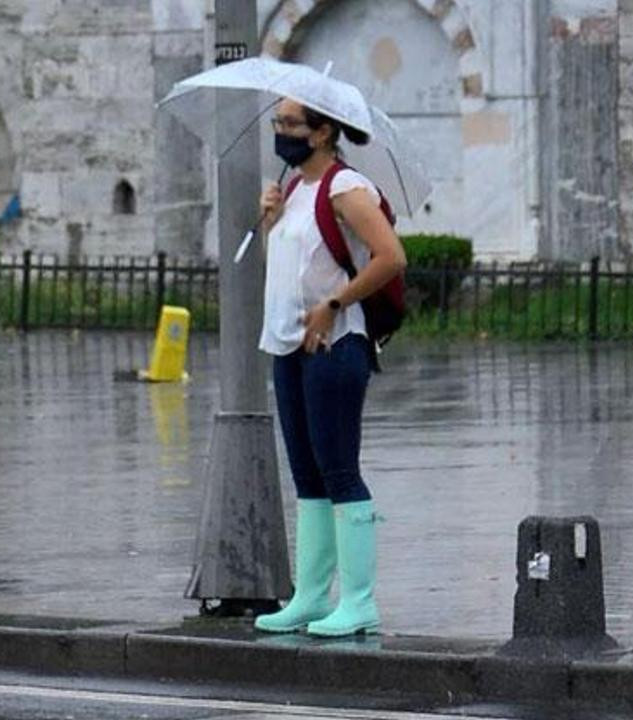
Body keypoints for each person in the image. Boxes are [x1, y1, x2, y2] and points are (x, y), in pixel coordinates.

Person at [252, 98, 407, 636]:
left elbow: (391, 256)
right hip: (289, 346)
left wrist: (336, 304)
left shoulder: (346, 189)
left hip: (336, 345)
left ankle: (359, 600)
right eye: (277, 124)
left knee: (339, 468)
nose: (280, 133)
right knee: (307, 474)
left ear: (321, 134)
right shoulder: (292, 189)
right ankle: (312, 597)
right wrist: (270, 220)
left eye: (290, 125)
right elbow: (290, 270)